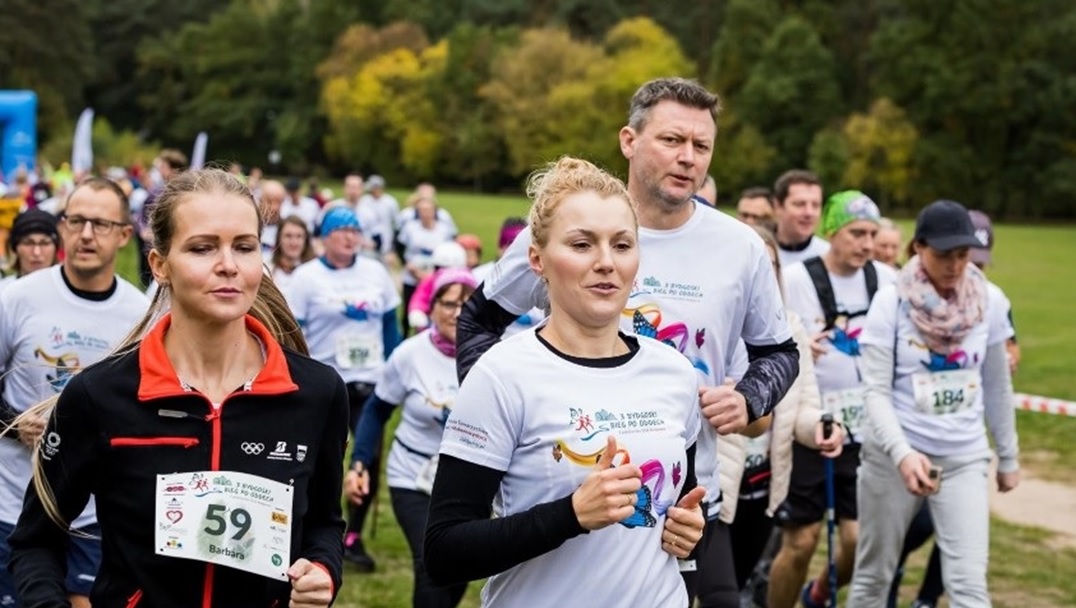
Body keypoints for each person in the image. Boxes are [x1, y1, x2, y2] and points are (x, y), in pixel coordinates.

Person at [454, 77, 800, 608]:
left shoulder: (740, 247)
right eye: (671, 140)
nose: (687, 158)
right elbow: (477, 320)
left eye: (701, 146)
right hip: (562, 479)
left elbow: (779, 352)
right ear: (628, 141)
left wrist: (748, 397)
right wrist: (500, 411)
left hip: (681, 494)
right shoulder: (561, 227)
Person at [6, 168, 348, 608]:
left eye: (244, 247)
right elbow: (35, 540)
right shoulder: (100, 394)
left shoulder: (316, 392)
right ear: (159, 265)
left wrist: (322, 571)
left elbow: (324, 523)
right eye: (203, 248)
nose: (228, 264)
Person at [425, 156, 708, 607]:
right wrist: (571, 515)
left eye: (621, 245)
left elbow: (677, 507)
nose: (605, 263)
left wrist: (690, 529)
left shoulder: (673, 371)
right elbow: (443, 553)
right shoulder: (502, 375)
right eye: (581, 245)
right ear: (537, 259)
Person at [846, 199, 1020, 608]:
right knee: (873, 577)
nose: (955, 266)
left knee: (968, 584)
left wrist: (1009, 456)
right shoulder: (891, 302)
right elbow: (874, 391)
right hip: (894, 457)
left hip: (964, 457)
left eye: (963, 255)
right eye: (943, 255)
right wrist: (903, 454)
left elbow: (996, 384)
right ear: (917, 249)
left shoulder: (990, 300)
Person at [0, 178, 150, 608]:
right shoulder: (17, 298)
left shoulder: (139, 315)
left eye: (101, 224)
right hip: (14, 504)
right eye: (77, 220)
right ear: (62, 227)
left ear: (124, 235)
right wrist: (14, 423)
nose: (86, 234)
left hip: (93, 514)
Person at [768, 191, 898, 608]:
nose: (866, 243)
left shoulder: (885, 280)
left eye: (872, 234)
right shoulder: (799, 279)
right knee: (802, 541)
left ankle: (820, 592)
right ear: (831, 231)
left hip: (865, 427)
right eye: (856, 232)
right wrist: (804, 343)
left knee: (859, 539)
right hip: (813, 426)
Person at [717, 225, 844, 596]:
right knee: (720, 596)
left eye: (770, 266)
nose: (763, 275)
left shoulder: (791, 329)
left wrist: (821, 429)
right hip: (717, 486)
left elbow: (804, 408)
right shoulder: (713, 325)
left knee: (738, 584)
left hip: (765, 484)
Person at [346, 268, 477, 608]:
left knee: (460, 565)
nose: (457, 312)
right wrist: (360, 462)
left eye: (467, 303)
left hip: (466, 481)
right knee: (431, 562)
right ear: (432, 307)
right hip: (413, 475)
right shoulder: (410, 354)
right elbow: (376, 411)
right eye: (448, 303)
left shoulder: (492, 356)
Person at [287, 205, 402, 572]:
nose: (350, 236)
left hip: (370, 380)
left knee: (365, 460)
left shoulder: (375, 272)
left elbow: (389, 325)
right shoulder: (306, 278)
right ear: (324, 237)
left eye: (355, 230)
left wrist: (394, 368)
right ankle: (310, 530)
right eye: (342, 230)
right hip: (326, 383)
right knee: (324, 462)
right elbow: (294, 335)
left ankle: (353, 535)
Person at [396, 194, 457, 335]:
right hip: (412, 275)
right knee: (408, 309)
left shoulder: (443, 228)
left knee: (432, 307)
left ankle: (429, 335)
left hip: (435, 276)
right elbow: (400, 246)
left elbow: (450, 248)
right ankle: (405, 336)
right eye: (421, 210)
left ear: (434, 211)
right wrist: (408, 265)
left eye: (428, 210)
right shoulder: (410, 227)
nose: (425, 213)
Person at [772, 170, 829, 266]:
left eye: (815, 205)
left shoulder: (828, 257)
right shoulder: (759, 251)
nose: (809, 213)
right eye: (800, 204)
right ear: (778, 206)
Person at [0, 209, 59, 292]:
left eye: (44, 243)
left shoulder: (71, 293)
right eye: (28, 243)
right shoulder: (4, 293)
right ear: (15, 248)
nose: (36, 252)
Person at [268, 215, 316, 298]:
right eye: (288, 236)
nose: (294, 242)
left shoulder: (315, 272)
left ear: (306, 240)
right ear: (279, 238)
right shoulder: (267, 270)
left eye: (299, 236)